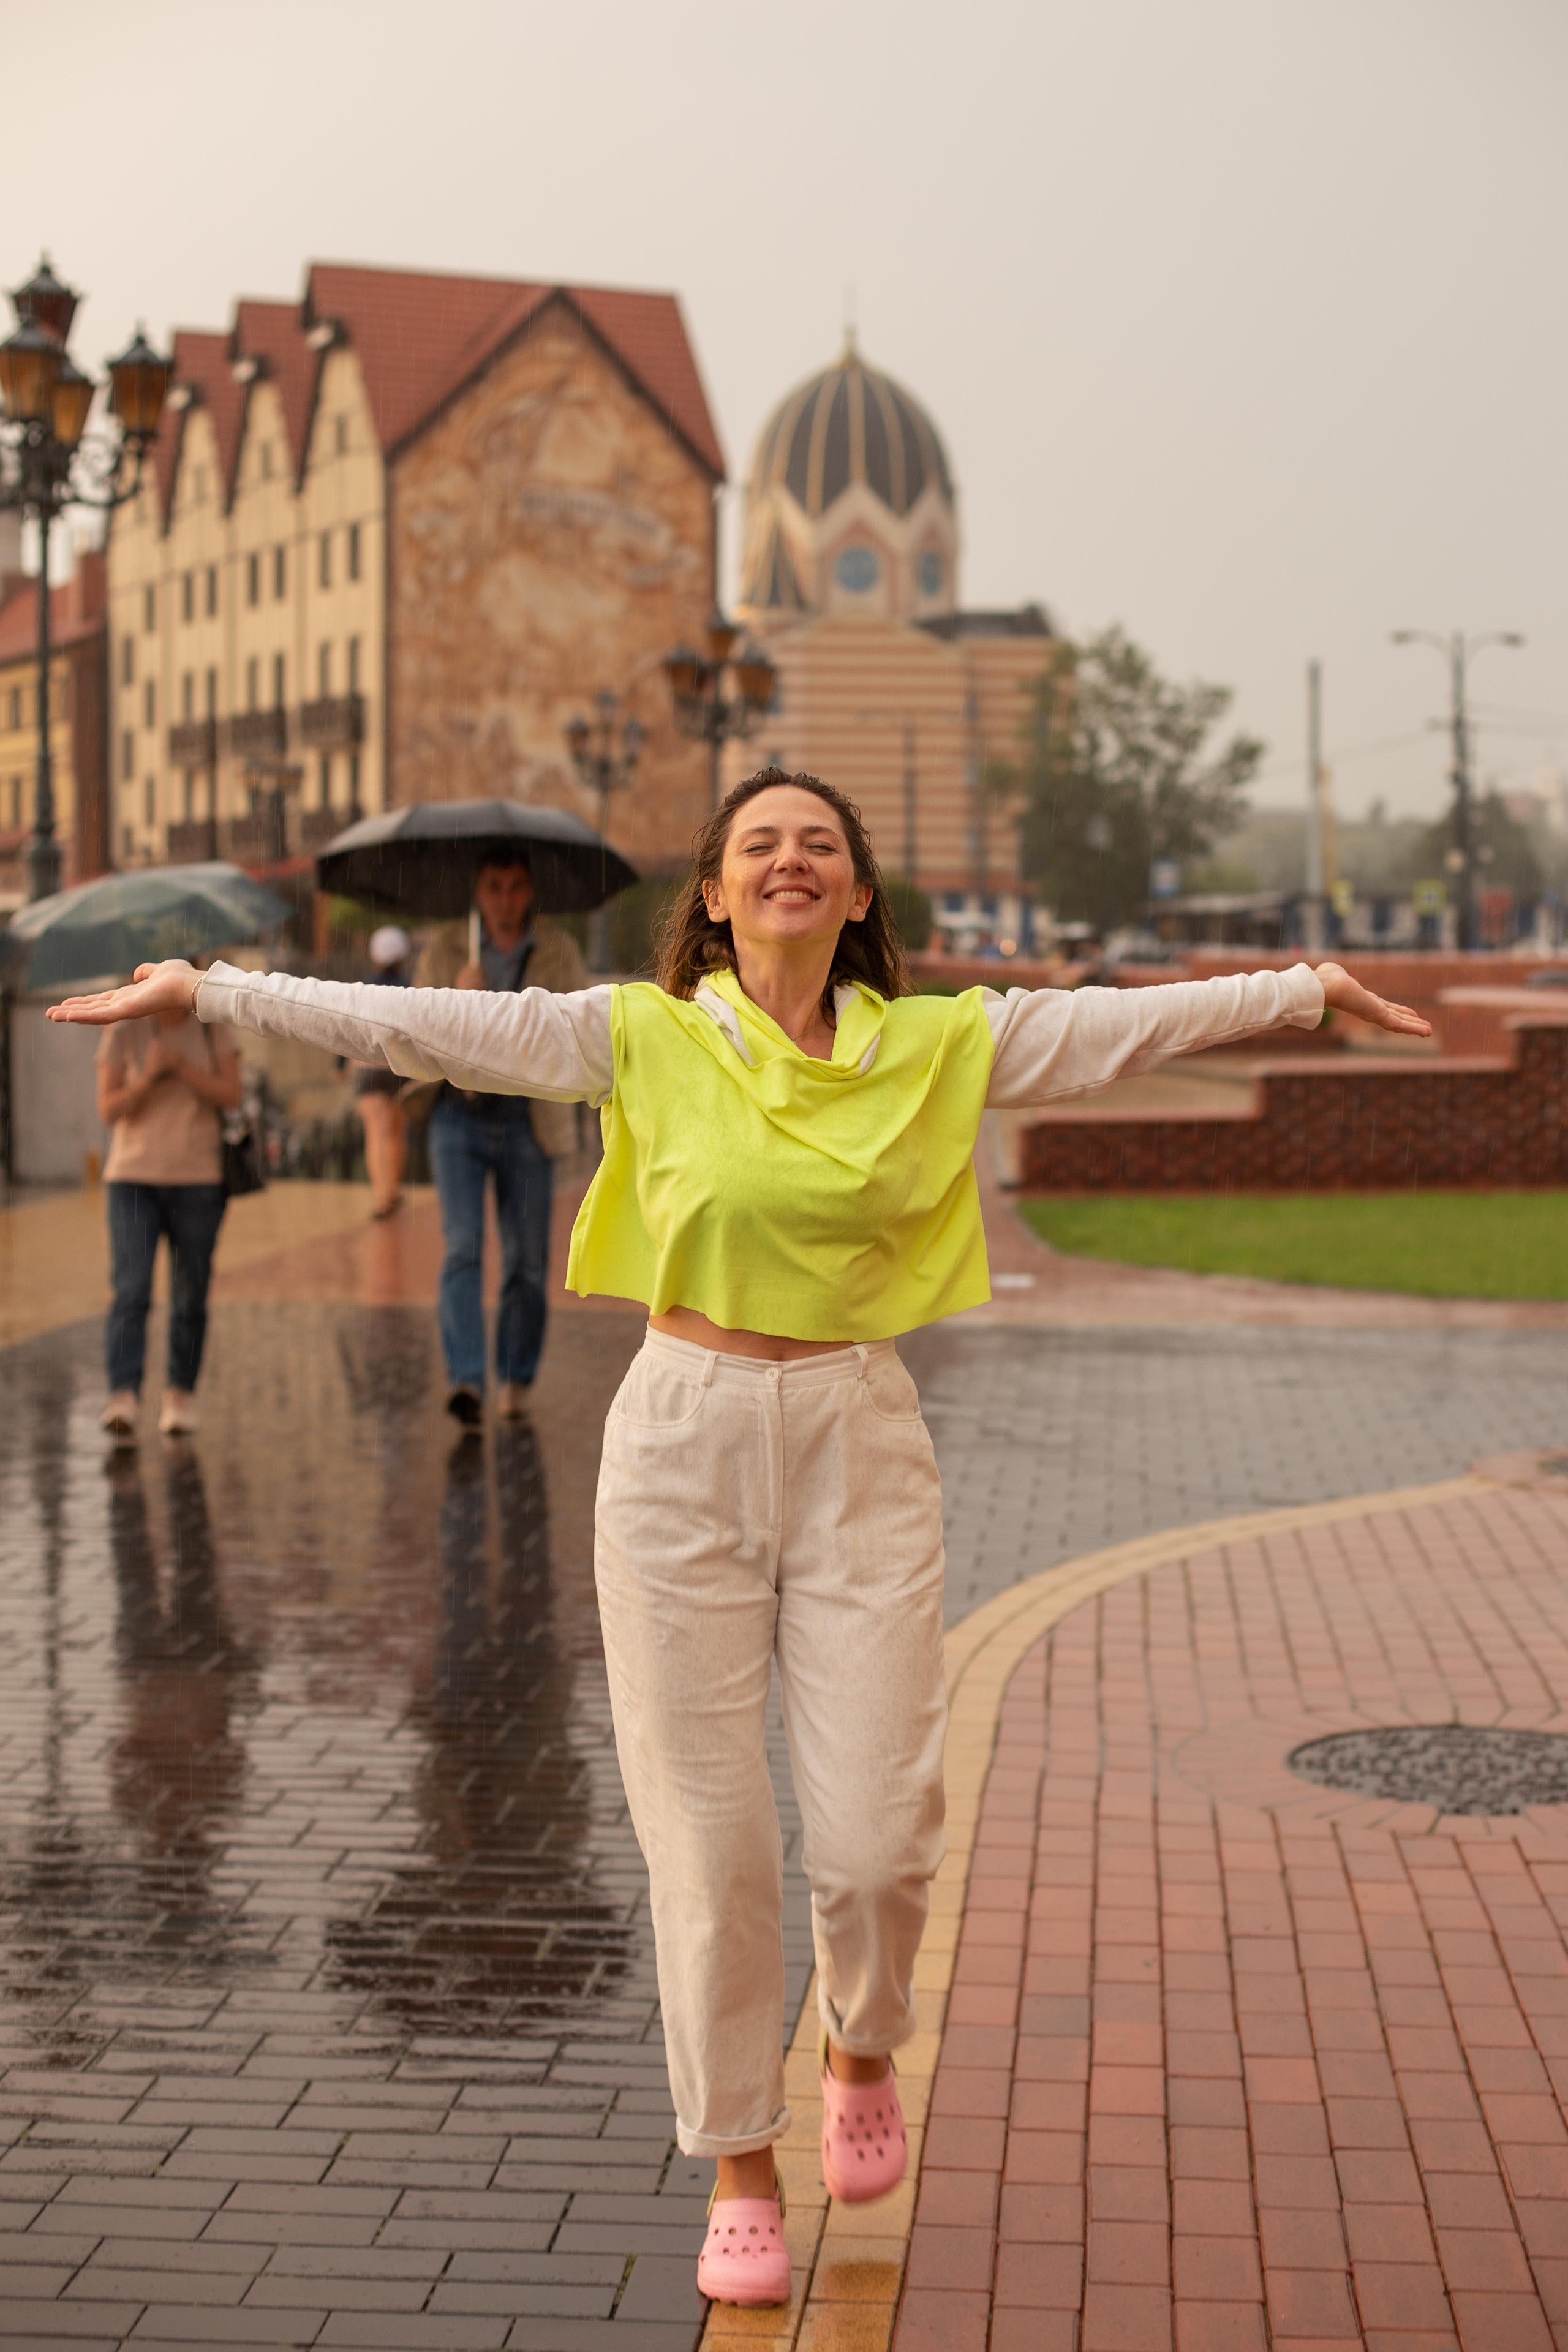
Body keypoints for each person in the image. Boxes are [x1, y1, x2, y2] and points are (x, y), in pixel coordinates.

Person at [48, 769, 1431, 2308]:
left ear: (855, 899)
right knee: (707, 1850)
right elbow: (426, 1028)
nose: (788, 860)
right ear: (710, 893)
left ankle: (857, 2044)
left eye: (819, 846)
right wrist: (217, 984)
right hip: (678, 1449)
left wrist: (1302, 986)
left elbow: (1119, 1021)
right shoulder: (634, 1032)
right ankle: (740, 2159)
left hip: (858, 1442)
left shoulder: (935, 1043)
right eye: (758, 842)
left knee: (872, 1836)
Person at [413, 851, 587, 1428]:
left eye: (515, 888)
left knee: (527, 1263)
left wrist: (501, 1009)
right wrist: (458, 1000)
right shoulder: (446, 948)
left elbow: (569, 1029)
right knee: (462, 1248)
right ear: (477, 891)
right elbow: (415, 1028)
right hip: (457, 1117)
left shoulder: (557, 950)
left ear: (530, 890)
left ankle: (516, 1375)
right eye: (493, 887)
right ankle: (466, 1378)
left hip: (526, 1119)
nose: (505, 900)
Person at [94, 979, 242, 1441]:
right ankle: (123, 1393)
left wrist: (179, 1066)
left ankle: (180, 1394)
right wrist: (150, 1076)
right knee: (131, 1291)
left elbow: (231, 1095)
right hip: (133, 1180)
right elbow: (109, 1109)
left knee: (190, 1294)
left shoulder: (212, 1025)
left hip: (198, 1179)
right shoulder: (123, 1027)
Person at [352, 924, 413, 1219]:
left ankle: (380, 1195)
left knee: (375, 1132)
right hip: (401, 1069)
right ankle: (393, 1189)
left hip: (368, 1069)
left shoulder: (363, 989)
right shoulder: (412, 988)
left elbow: (346, 1028)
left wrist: (340, 1066)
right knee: (395, 1133)